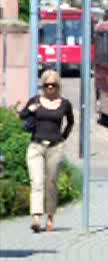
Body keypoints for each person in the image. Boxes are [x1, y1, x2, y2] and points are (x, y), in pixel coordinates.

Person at [19, 70, 74, 233]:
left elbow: (70, 122)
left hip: (55, 147)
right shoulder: (35, 100)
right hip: (36, 146)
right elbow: (22, 115)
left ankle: (50, 217)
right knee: (36, 182)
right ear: (42, 86)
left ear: (58, 86)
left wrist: (63, 137)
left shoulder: (64, 103)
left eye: (53, 85)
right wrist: (30, 109)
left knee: (51, 183)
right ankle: (36, 218)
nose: (50, 88)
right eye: (47, 85)